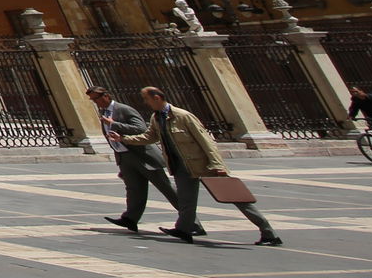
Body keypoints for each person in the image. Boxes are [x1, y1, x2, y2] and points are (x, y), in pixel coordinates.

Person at [120, 86, 282, 246]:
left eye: (146, 99)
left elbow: (206, 141)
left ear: (157, 98)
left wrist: (217, 165)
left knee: (236, 198)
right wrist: (124, 139)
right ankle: (184, 229)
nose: (145, 102)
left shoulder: (183, 116)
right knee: (186, 201)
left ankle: (268, 233)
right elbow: (150, 137)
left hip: (204, 164)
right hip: (181, 166)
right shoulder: (156, 118)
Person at [86, 85, 182, 234]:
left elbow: (141, 129)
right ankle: (130, 219)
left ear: (106, 96)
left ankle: (190, 221)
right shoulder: (104, 112)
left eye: (96, 99)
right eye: (92, 100)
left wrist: (114, 124)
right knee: (134, 190)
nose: (95, 102)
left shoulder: (123, 109)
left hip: (142, 156)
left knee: (166, 188)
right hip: (125, 156)